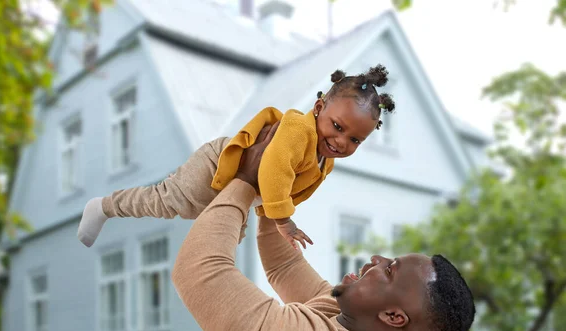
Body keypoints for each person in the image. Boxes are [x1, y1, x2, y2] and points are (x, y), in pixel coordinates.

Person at [171, 124, 476, 331]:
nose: (376, 260)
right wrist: (276, 187)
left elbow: (199, 272)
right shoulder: (350, 321)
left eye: (389, 270)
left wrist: (246, 180)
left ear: (393, 316)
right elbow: (285, 266)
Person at [77, 64, 396, 250]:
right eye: (337, 127)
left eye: (355, 139)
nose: (341, 142)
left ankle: (212, 275)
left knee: (228, 240)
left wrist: (272, 218)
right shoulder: (300, 129)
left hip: (242, 193)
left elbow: (287, 189)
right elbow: (274, 170)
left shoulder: (326, 159)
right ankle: (103, 206)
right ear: (318, 109)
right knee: (164, 201)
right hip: (217, 168)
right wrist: (284, 221)